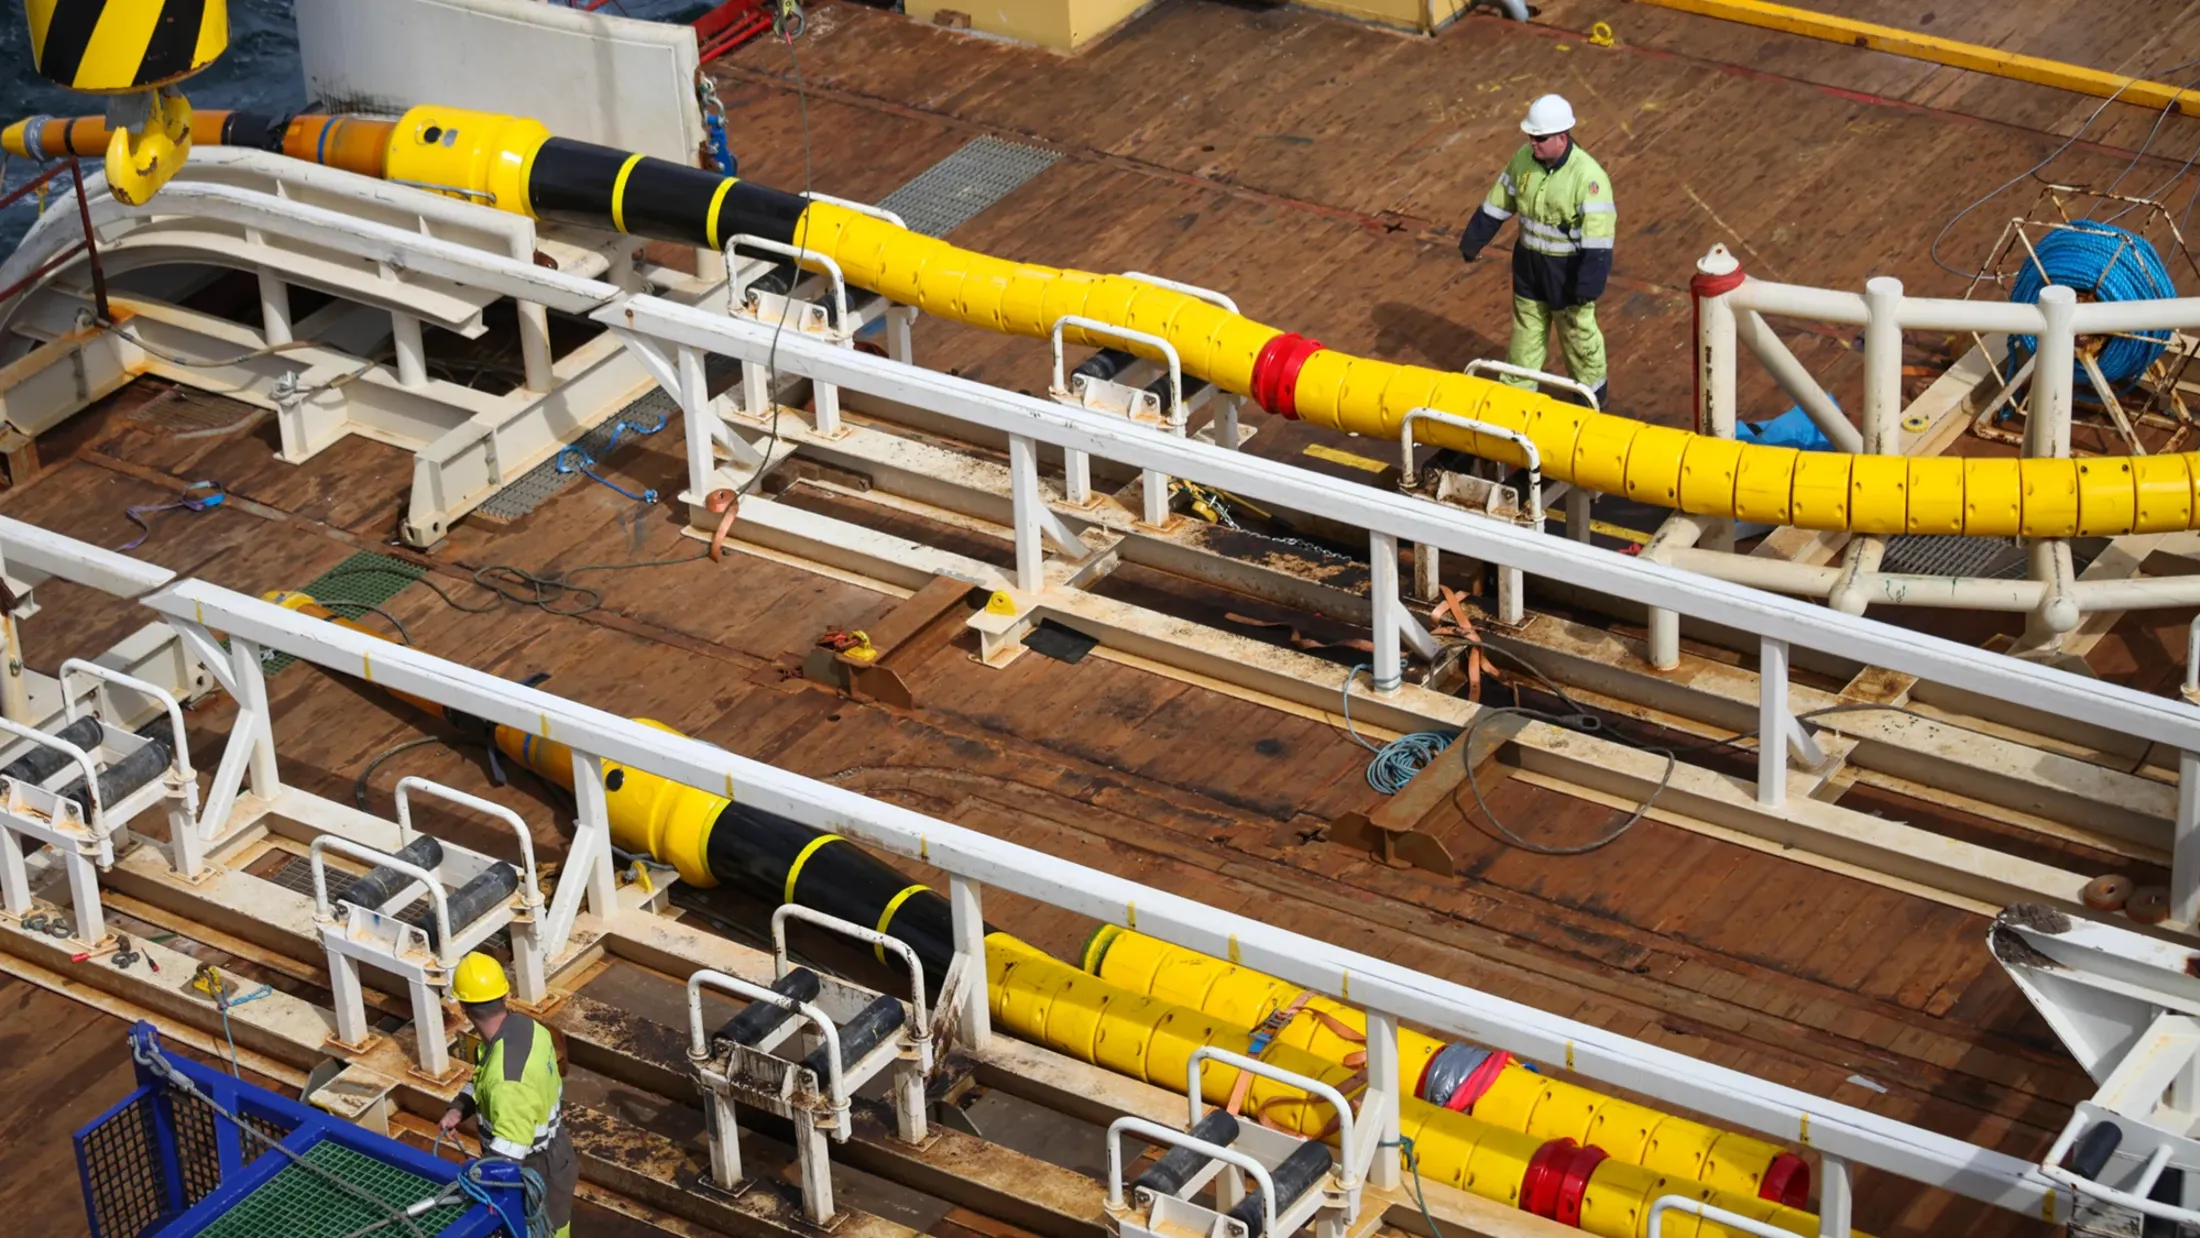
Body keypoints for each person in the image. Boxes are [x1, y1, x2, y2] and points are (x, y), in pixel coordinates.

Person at [1457, 93, 1616, 409]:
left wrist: (1587, 287)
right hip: (1530, 268)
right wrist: (1473, 240)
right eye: (1531, 137)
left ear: (1562, 136)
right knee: (1525, 336)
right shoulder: (1522, 161)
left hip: (1567, 274)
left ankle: (1592, 400)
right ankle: (1515, 401)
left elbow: (1598, 241)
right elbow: (1499, 202)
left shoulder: (1588, 177)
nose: (1533, 143)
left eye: (1540, 138)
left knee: (1578, 337)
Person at [440, 952, 576, 1237]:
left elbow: (506, 1162)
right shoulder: (527, 1029)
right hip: (555, 1156)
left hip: (534, 1172)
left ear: (463, 1007)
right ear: (504, 995)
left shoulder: (507, 1082)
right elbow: (483, 1078)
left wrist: (472, 1178)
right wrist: (459, 1107)